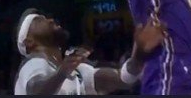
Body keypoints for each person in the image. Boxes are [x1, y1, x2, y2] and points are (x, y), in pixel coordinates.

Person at [13, 8, 164, 95]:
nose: (51, 20)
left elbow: (123, 79)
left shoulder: (77, 71)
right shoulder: (32, 64)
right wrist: (61, 73)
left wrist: (139, 57)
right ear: (29, 42)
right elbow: (35, 92)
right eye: (39, 21)